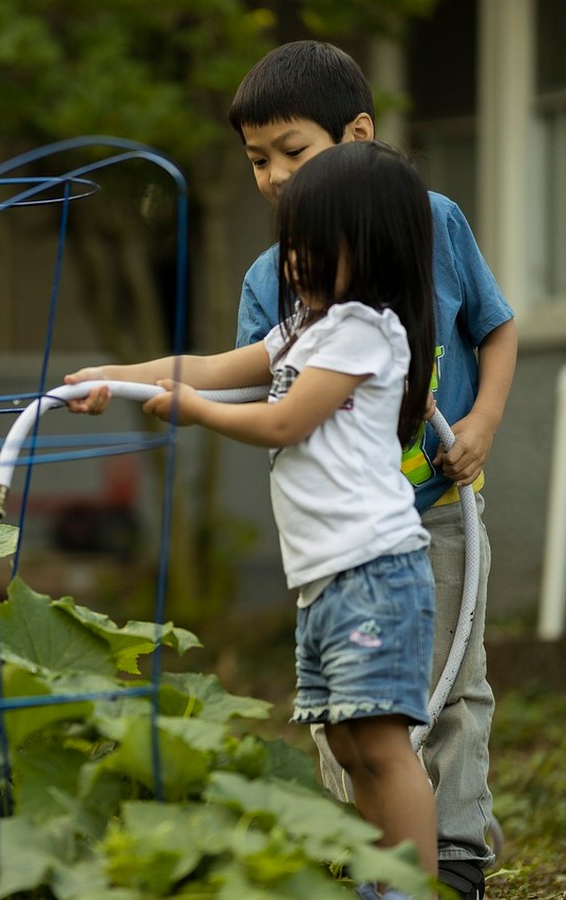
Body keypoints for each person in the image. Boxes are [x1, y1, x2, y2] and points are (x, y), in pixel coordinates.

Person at [68, 140, 440, 898]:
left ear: (368, 247)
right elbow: (202, 367)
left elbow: (282, 422)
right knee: (344, 742)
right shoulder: (302, 331)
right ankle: (378, 882)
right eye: (290, 245)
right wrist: (111, 377)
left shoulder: (368, 329)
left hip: (374, 571)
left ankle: (413, 890)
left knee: (381, 744)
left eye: (312, 246)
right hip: (326, 580)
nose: (294, 262)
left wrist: (196, 413)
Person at [226, 41, 516, 900]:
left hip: (438, 505)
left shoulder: (436, 224)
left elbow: (496, 329)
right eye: (256, 161)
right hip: (345, 537)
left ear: (358, 134)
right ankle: (367, 850)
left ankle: (455, 851)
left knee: (453, 683)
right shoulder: (271, 277)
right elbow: (260, 388)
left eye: (293, 152)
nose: (276, 177)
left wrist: (483, 422)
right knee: (346, 700)